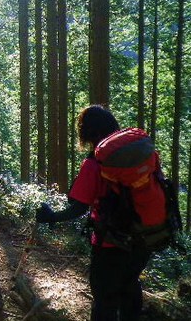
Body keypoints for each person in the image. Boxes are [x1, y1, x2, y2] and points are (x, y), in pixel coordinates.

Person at [35, 105, 153, 321]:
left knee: (104, 300)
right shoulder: (139, 155)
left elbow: (78, 207)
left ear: (87, 132)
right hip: (145, 238)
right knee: (130, 289)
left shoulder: (94, 163)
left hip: (110, 244)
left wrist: (51, 216)